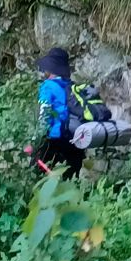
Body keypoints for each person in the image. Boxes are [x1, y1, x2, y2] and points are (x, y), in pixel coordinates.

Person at [33, 46, 84, 179]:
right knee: (70, 180)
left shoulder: (48, 86)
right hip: (75, 141)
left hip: (54, 141)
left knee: (41, 177)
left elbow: (44, 115)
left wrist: (36, 141)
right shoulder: (73, 86)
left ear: (51, 68)